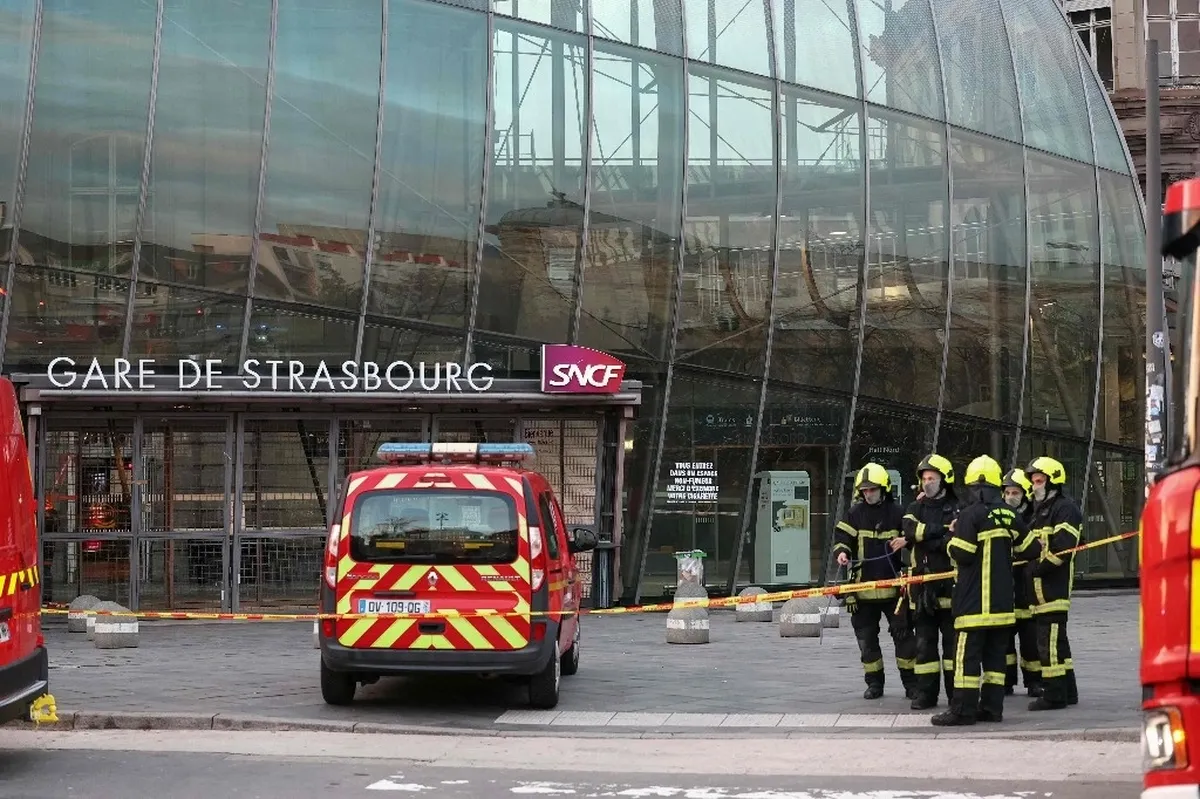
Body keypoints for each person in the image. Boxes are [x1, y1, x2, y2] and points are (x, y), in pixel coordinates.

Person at [931, 454, 1017, 726]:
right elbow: (1031, 548)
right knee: (995, 661)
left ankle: (962, 711)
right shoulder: (1009, 513)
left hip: (973, 603)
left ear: (972, 486)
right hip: (1002, 605)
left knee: (966, 660)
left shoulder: (969, 515)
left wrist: (950, 538)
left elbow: (962, 553)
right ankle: (992, 709)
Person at [833, 462, 917, 700]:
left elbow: (912, 537)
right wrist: (842, 552)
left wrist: (906, 540)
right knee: (867, 642)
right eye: (865, 490)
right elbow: (842, 538)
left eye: (873, 489)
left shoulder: (898, 513)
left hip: (894, 592)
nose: (868, 494)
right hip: (863, 591)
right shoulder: (854, 514)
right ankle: (874, 684)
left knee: (905, 641)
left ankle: (911, 685)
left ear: (884, 488)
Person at [898, 453, 961, 710]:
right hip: (921, 590)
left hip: (950, 589)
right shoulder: (915, 508)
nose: (927, 483)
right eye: (924, 478)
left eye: (932, 478)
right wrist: (942, 530)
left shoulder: (957, 507)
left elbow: (955, 540)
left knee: (952, 649)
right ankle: (925, 694)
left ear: (944, 480)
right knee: (924, 647)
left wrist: (926, 538)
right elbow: (910, 530)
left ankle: (955, 695)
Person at [1021, 456, 1082, 711]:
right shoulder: (1038, 511)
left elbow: (1064, 548)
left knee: (1049, 645)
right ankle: (1068, 691)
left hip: (1052, 589)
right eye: (1033, 481)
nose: (1034, 486)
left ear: (1052, 481)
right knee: (1058, 644)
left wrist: (1035, 568)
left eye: (1038, 481)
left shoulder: (1065, 508)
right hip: (1039, 591)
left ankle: (1054, 695)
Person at [1002, 467, 1042, 698]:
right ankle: (1006, 681)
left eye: (1015, 492)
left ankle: (1034, 681)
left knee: (1030, 642)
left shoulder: (1034, 517)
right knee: (1004, 642)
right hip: (1006, 587)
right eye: (1007, 493)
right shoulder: (999, 517)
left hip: (1027, 587)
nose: (1010, 497)